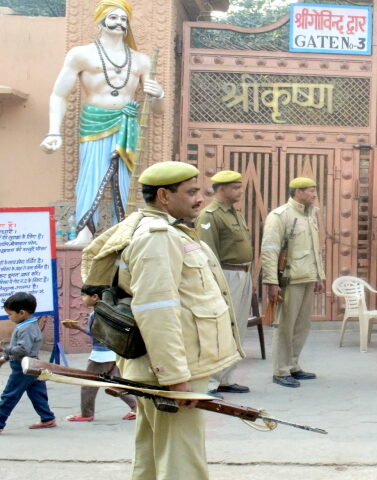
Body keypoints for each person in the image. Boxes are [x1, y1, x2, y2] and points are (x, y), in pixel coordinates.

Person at [82, 161, 243, 479]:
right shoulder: (158, 237)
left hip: (161, 367)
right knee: (182, 460)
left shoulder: (163, 230)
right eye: (191, 192)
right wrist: (174, 377)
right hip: (169, 369)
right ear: (164, 196)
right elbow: (157, 310)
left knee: (154, 454)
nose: (200, 198)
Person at [40, 0, 165, 246]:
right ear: (100, 20)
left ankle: (124, 231)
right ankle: (85, 233)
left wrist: (160, 94)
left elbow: (157, 110)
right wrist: (53, 131)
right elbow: (59, 94)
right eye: (113, 17)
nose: (119, 22)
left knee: (124, 180)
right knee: (91, 176)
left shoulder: (140, 60)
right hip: (94, 121)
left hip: (127, 123)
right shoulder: (81, 54)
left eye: (123, 18)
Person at [261, 177, 325, 388]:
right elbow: (270, 250)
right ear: (298, 192)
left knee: (302, 326)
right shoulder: (280, 216)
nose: (315, 194)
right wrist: (271, 281)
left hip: (308, 276)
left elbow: (316, 249)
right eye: (311, 190)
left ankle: (293, 365)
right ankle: (280, 370)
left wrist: (320, 275)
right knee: (285, 327)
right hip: (290, 279)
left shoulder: (312, 214)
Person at [195, 170, 253, 398]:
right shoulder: (209, 215)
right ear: (221, 189)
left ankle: (226, 378)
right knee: (220, 329)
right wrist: (213, 285)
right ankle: (209, 382)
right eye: (235, 187)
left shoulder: (234, 213)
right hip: (225, 275)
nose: (240, 191)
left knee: (237, 328)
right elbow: (207, 254)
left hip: (242, 274)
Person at [63, 285, 137, 422]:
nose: (82, 299)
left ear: (95, 297)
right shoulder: (112, 311)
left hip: (100, 355)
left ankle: (86, 414)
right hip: (113, 353)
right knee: (115, 384)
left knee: (88, 385)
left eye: (84, 295)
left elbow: (95, 334)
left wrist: (77, 327)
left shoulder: (96, 314)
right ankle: (135, 406)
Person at [0, 292, 57, 433]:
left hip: (23, 367)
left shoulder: (27, 328)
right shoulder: (27, 325)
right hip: (32, 364)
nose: (9, 317)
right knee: (37, 392)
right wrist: (5, 358)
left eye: (10, 314)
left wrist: (4, 350)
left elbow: (22, 350)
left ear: (22, 313)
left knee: (10, 394)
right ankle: (47, 418)